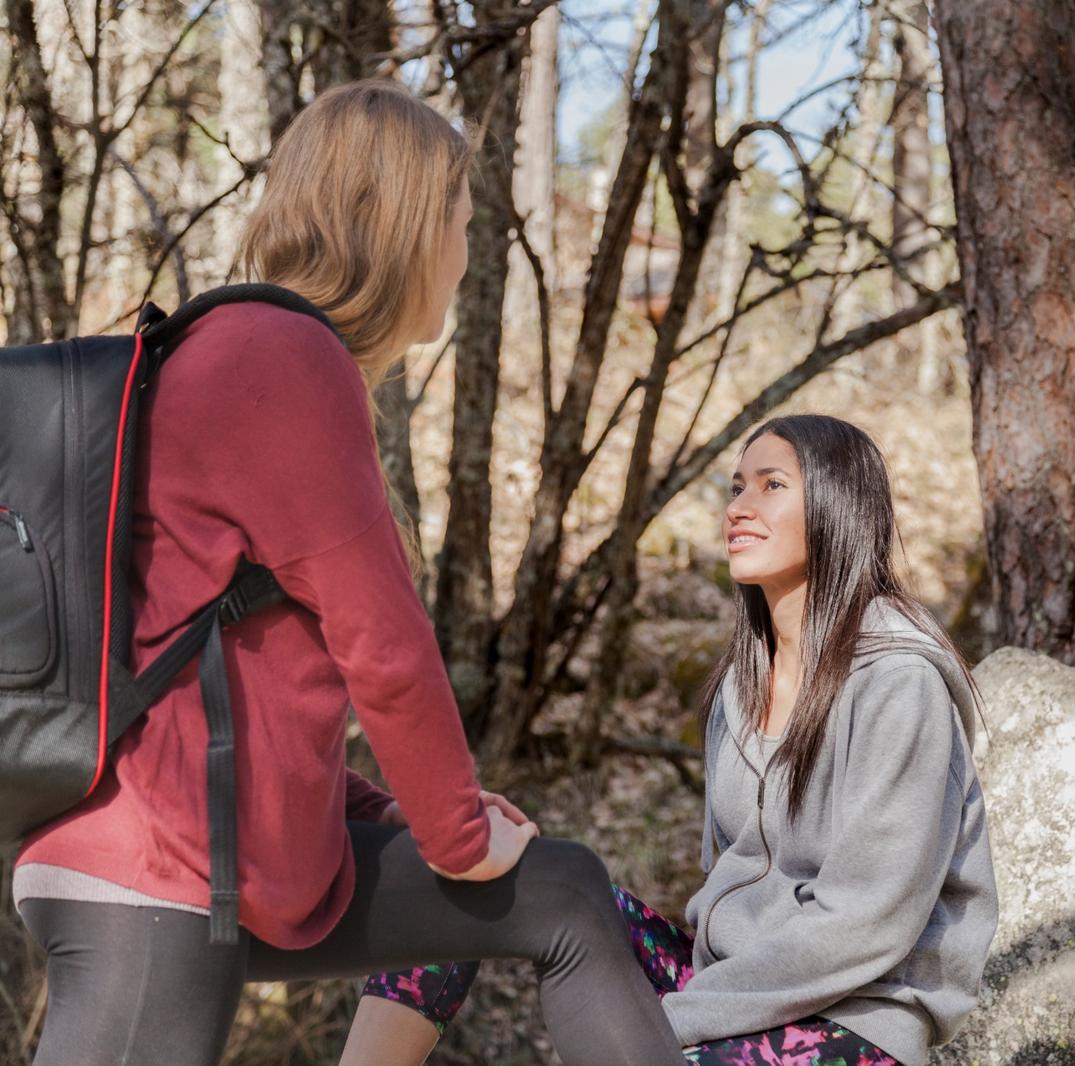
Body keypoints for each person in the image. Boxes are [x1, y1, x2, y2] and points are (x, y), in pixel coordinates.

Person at [11, 79, 683, 1066]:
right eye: (458, 219)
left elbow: (247, 670)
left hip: (219, 857)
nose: (462, 251)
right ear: (405, 227)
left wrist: (402, 811)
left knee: (561, 893)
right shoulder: (281, 357)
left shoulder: (252, 356)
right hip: (151, 867)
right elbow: (385, 644)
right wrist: (452, 832)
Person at [340, 414, 1000, 1066]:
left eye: (772, 485)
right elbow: (730, 881)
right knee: (487, 884)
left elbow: (865, 923)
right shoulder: (744, 682)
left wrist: (672, 1022)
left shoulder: (898, 683)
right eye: (736, 486)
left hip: (854, 1021)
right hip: (729, 989)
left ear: (839, 505)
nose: (740, 506)